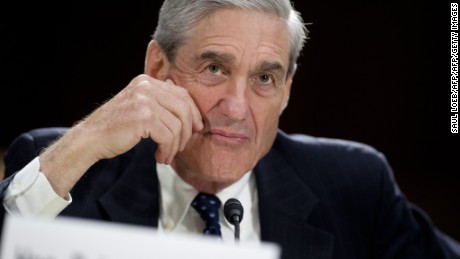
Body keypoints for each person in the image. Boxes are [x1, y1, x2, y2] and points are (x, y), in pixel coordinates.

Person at [0, 0, 459, 258]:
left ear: (287, 90)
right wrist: (81, 143)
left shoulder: (354, 184)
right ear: (158, 68)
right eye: (215, 68)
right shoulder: (67, 165)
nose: (237, 108)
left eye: (264, 78)